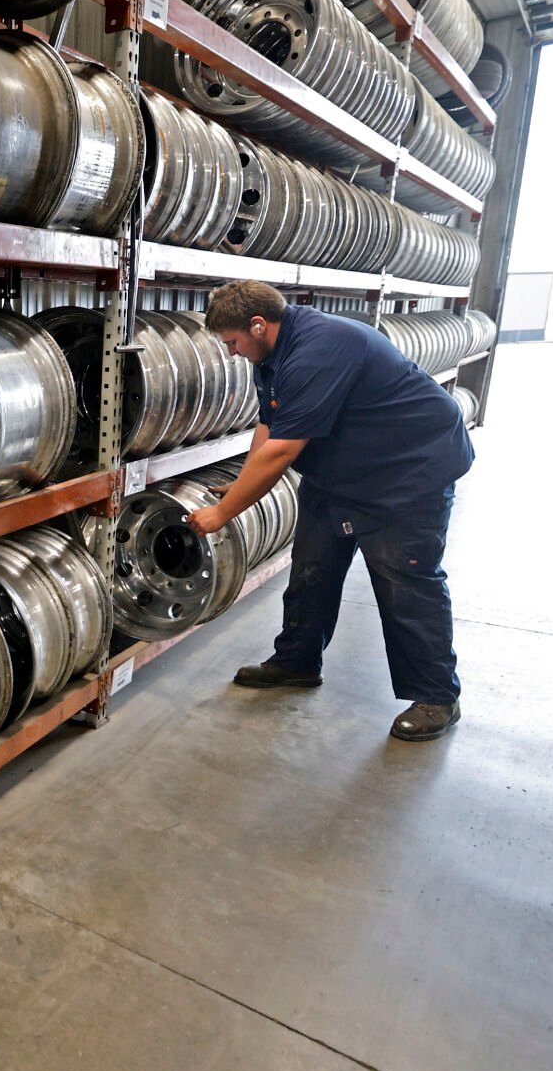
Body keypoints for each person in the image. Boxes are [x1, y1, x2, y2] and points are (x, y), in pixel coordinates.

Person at [187, 280, 475, 741]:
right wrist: (241, 487)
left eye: (233, 342)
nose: (233, 352)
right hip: (342, 469)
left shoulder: (318, 349)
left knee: (405, 583)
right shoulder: (271, 354)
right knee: (312, 568)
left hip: (408, 471)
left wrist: (223, 514)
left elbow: (282, 452)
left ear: (257, 325)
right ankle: (296, 662)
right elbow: (270, 423)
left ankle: (437, 696)